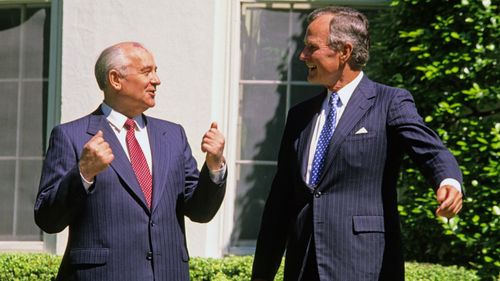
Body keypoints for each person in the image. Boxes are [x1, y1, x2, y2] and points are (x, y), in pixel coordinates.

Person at [251, 6, 463, 281]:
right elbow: (279, 204)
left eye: (311, 47)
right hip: (302, 268)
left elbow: (431, 150)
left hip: (364, 266)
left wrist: (448, 182)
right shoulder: (299, 116)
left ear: (344, 52)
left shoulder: (389, 102)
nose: (302, 56)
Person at [34, 41, 227, 281]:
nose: (156, 80)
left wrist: (214, 165)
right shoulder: (71, 136)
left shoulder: (173, 136)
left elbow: (200, 211)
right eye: (147, 72)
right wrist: (83, 173)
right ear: (115, 79)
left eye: (156, 71)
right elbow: (48, 220)